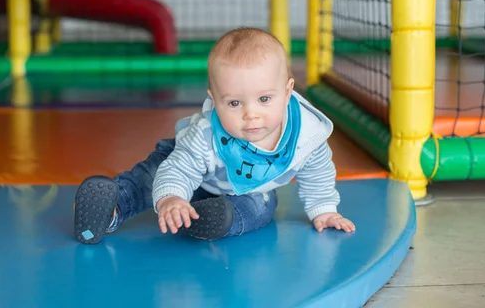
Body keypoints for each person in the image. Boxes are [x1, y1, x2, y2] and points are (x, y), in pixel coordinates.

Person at [73, 27, 355, 244]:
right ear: (215, 100)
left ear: (287, 91)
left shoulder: (305, 132)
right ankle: (112, 208)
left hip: (244, 190)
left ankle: (209, 221)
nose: (250, 114)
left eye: (264, 99)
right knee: (149, 178)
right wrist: (171, 197)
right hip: (187, 168)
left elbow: (317, 171)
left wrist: (324, 209)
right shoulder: (206, 135)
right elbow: (179, 169)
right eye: (234, 103)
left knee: (259, 208)